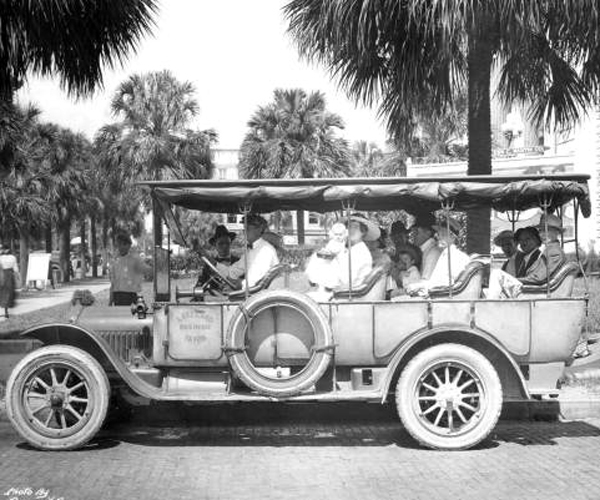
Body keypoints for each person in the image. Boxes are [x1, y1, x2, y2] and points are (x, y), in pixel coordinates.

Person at [307, 213, 377, 300]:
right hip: (339, 294)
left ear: (363, 231)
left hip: (347, 298)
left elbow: (345, 281)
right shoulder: (350, 249)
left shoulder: (360, 253)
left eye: (355, 227)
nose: (351, 230)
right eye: (348, 226)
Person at [405, 217, 470, 297]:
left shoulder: (457, 257)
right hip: (436, 296)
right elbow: (435, 281)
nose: (438, 237)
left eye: (443, 234)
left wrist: (420, 286)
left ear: (453, 238)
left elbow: (445, 284)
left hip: (442, 300)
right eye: (438, 233)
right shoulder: (444, 254)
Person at [486, 226, 545, 299]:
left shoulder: (536, 257)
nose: (506, 248)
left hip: (525, 292)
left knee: (496, 273)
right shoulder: (508, 263)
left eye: (508, 244)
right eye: (503, 245)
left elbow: (535, 278)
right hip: (518, 291)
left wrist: (513, 280)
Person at [224, 214, 279, 289]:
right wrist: (216, 266)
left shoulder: (265, 251)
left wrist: (239, 284)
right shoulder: (251, 249)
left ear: (259, 230)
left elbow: (253, 282)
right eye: (244, 229)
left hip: (260, 296)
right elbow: (235, 270)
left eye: (247, 229)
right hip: (253, 293)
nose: (244, 232)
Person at [306, 222, 349, 291]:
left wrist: (329, 252)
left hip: (335, 261)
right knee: (316, 261)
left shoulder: (341, 244)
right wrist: (325, 250)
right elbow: (328, 249)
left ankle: (329, 285)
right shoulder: (332, 242)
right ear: (332, 234)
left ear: (344, 235)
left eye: (340, 235)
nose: (338, 237)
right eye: (336, 235)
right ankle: (313, 280)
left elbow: (335, 251)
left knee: (330, 272)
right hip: (328, 259)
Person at [109, 232, 149, 306]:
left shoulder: (135, 259)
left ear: (128, 245)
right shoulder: (114, 261)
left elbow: (147, 271)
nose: (120, 247)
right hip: (118, 296)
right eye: (118, 244)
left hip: (131, 295)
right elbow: (113, 283)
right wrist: (110, 301)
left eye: (122, 244)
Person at [411, 213, 442, 280]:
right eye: (413, 232)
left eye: (416, 232)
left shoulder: (433, 253)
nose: (413, 235)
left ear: (428, 233)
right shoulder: (425, 251)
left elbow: (425, 282)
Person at [536, 213, 566, 279]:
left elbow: (539, 278)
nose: (541, 234)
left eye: (546, 230)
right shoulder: (547, 250)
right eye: (540, 230)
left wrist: (515, 280)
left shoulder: (554, 252)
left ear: (557, 232)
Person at [0, 244, 19, 318]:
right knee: (8, 293)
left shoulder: (1, 258)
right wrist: (17, 277)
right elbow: (15, 268)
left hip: (2, 274)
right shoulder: (13, 257)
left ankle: (5, 310)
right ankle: (6, 311)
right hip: (10, 275)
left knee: (3, 293)